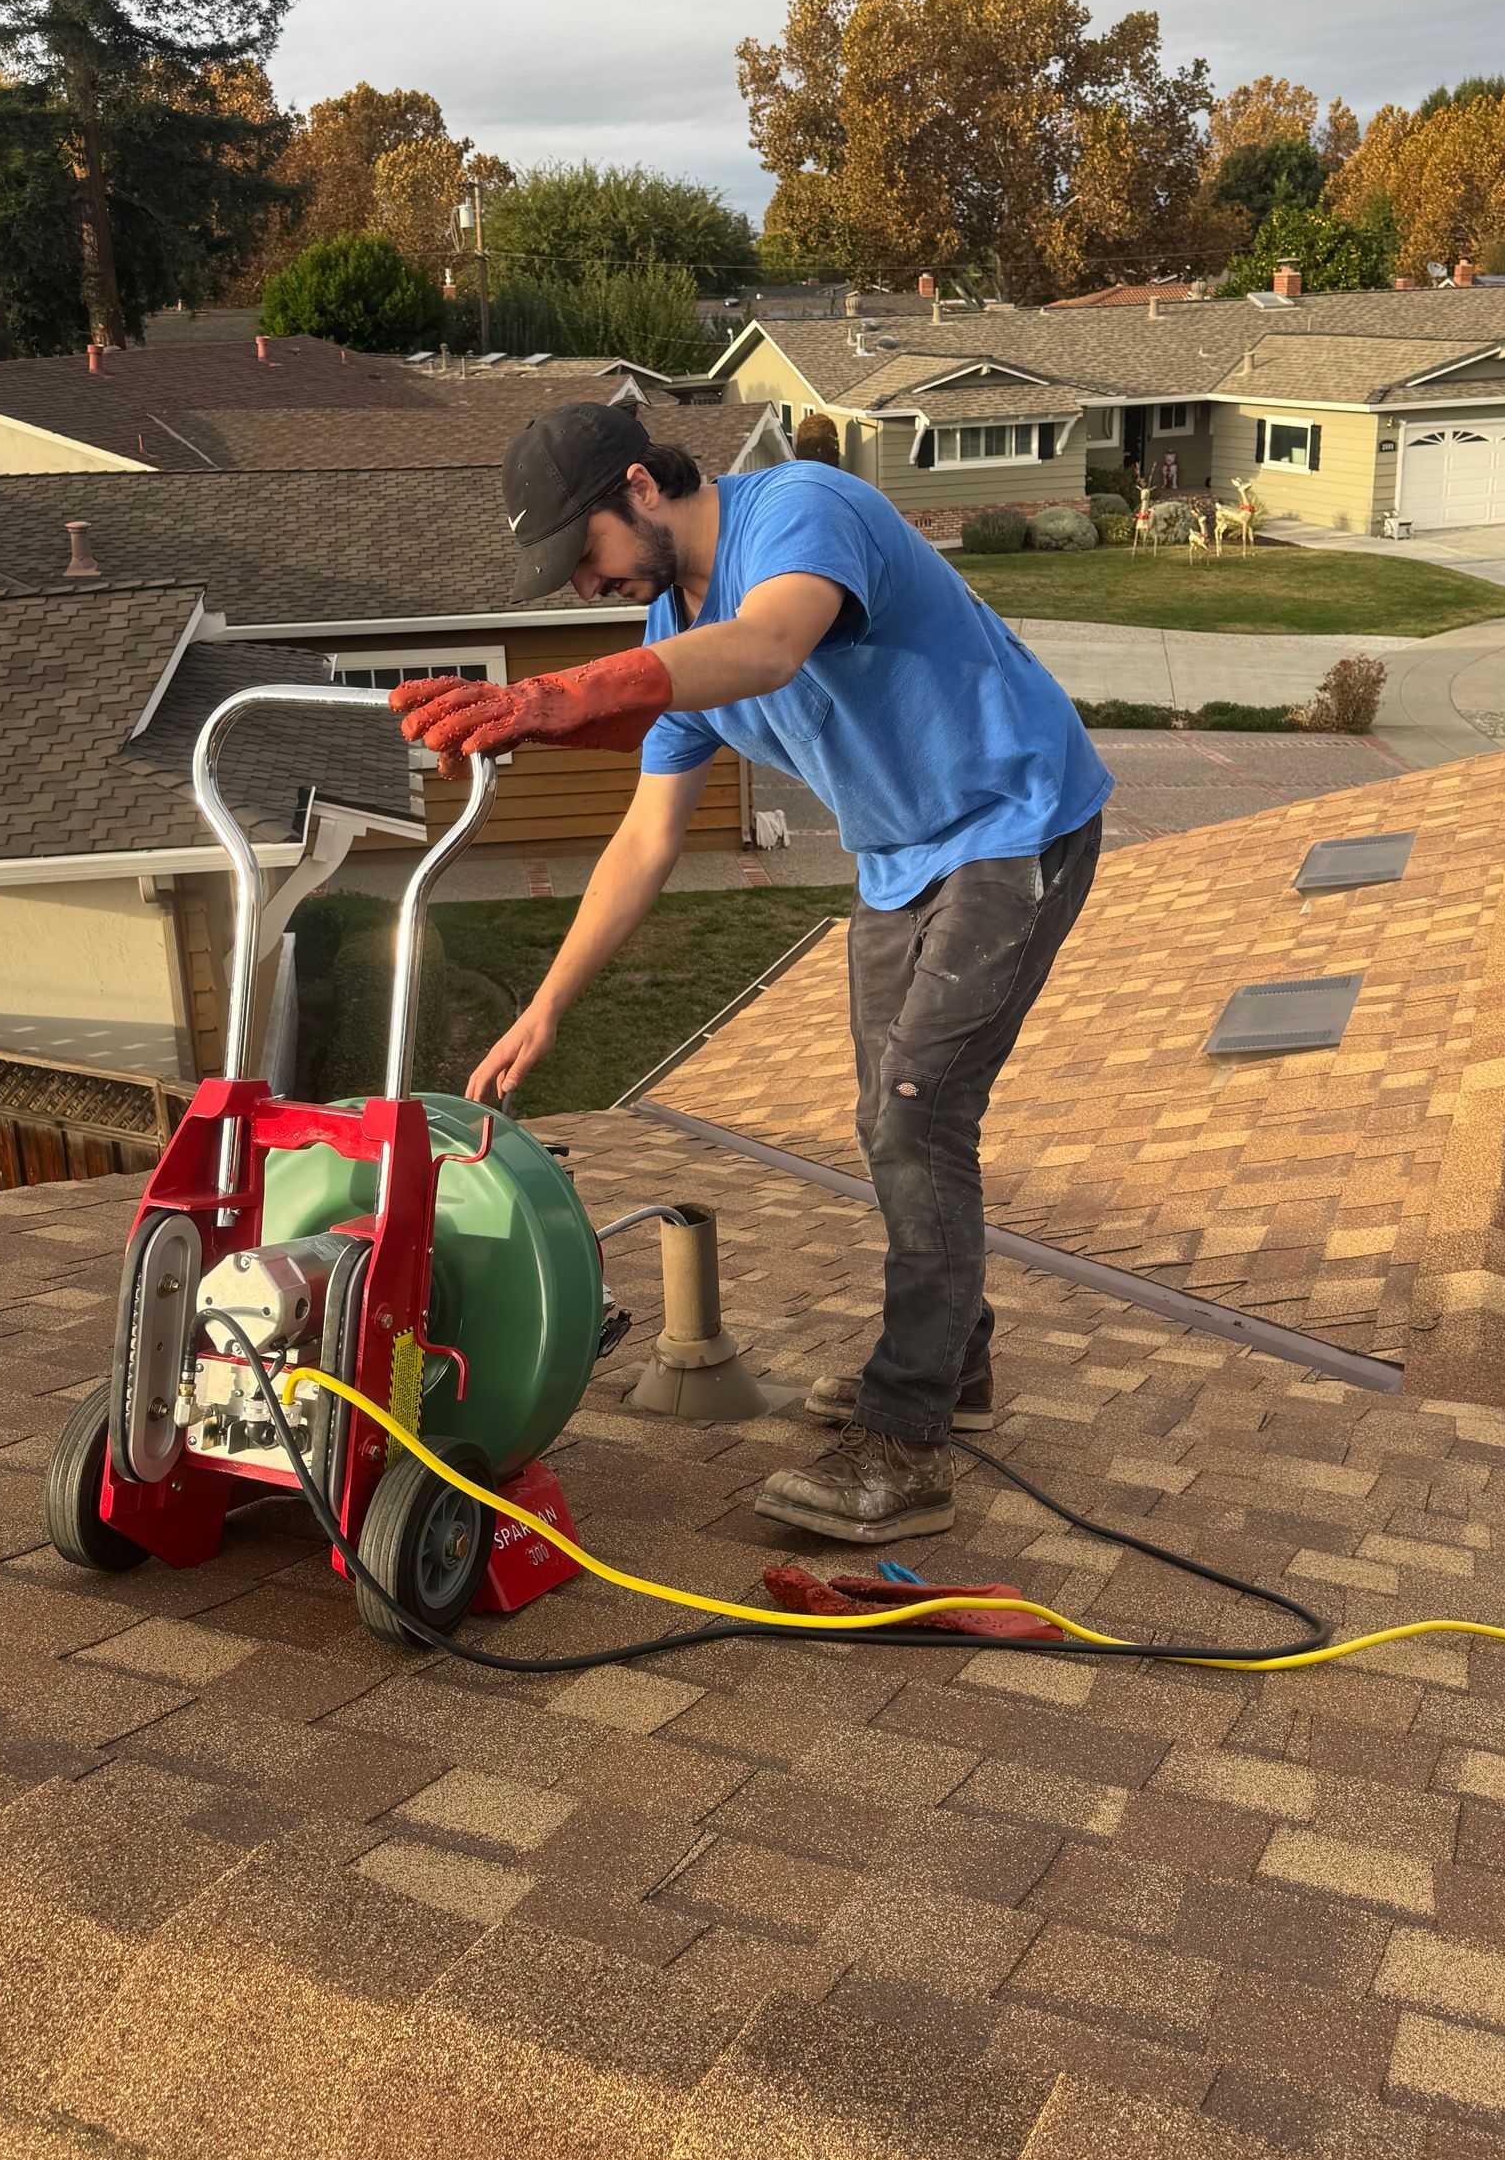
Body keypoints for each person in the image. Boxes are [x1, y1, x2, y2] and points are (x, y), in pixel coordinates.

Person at [391, 402, 1111, 1545]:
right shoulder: (679, 624)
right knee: (886, 1116)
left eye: (584, 555)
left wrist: (559, 696)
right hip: (899, 861)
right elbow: (645, 840)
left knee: (918, 1115)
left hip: (1014, 823)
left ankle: (909, 1438)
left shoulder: (801, 513)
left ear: (638, 486)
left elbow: (773, 643)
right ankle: (951, 1359)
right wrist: (545, 1008)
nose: (585, 588)